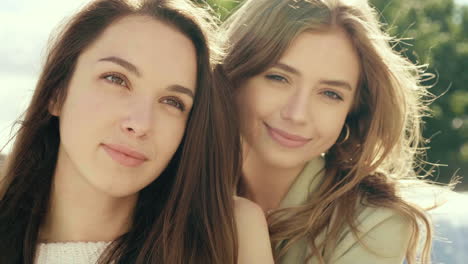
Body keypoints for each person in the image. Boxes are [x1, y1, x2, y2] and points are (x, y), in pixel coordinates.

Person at [0, 0, 273, 263]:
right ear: (56, 93)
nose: (141, 124)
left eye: (172, 102)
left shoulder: (229, 234)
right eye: (116, 79)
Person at [217, 0, 434, 263]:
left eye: (330, 94)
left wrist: (245, 226)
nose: (297, 114)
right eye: (278, 77)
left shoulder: (373, 225)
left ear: (353, 111)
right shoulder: (172, 183)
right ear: (234, 74)